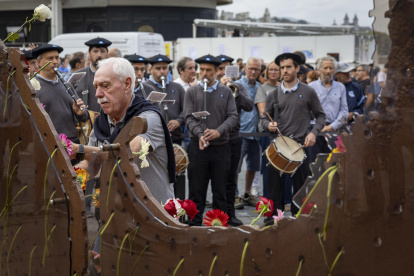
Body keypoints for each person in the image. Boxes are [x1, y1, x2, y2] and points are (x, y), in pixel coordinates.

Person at [75, 57, 176, 202]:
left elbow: (124, 155)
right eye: (96, 86)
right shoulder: (101, 123)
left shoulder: (149, 118)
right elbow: (92, 164)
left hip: (155, 215)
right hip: (117, 214)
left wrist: (78, 150)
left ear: (127, 84)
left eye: (105, 85)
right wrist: (69, 179)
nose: (98, 94)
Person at [261, 53, 326, 218]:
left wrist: (313, 133)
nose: (285, 71)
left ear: (297, 68)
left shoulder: (309, 92)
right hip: (277, 148)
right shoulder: (273, 95)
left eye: (288, 67)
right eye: (282, 68)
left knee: (300, 193)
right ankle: (275, 226)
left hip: (300, 148)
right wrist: (268, 124)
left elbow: (321, 116)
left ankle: (299, 226)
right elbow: (263, 119)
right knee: (275, 194)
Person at [184, 54, 238, 226]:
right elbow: (188, 117)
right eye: (202, 70)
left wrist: (218, 131)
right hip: (197, 147)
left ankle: (219, 225)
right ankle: (194, 224)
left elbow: (232, 116)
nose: (205, 73)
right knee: (195, 189)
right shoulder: (192, 91)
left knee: (220, 190)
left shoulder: (226, 91)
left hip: (221, 147)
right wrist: (200, 134)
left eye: (209, 70)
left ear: (216, 72)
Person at [217, 54, 254, 226]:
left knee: (231, 178)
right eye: (220, 69)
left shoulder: (237, 86)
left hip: (233, 138)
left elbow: (249, 106)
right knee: (217, 179)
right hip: (216, 139)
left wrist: (234, 91)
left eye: (226, 68)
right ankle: (219, 214)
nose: (223, 72)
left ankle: (230, 214)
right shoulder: (210, 86)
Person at [32, 44, 88, 144]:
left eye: (57, 58)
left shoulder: (67, 84)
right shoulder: (33, 86)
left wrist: (81, 113)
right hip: (48, 144)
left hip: (72, 142)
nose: (55, 62)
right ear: (39, 62)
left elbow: (83, 116)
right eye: (50, 58)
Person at [308, 56, 348, 163]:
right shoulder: (311, 87)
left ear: (334, 70)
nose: (328, 71)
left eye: (331, 68)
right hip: (314, 131)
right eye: (325, 68)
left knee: (335, 163)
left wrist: (332, 126)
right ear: (319, 69)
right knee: (314, 164)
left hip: (334, 131)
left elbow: (344, 111)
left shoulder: (340, 87)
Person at [234, 57, 262, 207]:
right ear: (245, 68)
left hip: (255, 133)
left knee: (253, 166)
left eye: (256, 69)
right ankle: (235, 195)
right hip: (240, 132)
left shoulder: (259, 86)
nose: (253, 71)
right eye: (250, 68)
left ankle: (247, 193)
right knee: (236, 167)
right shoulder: (237, 85)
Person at [144, 54, 185, 144]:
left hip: (175, 137)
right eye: (158, 68)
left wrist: (178, 121)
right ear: (151, 70)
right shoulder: (144, 88)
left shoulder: (177, 87)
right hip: (152, 138)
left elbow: (186, 109)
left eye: (164, 68)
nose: (162, 71)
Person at [254, 61, 280, 199]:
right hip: (267, 131)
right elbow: (262, 111)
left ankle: (285, 197)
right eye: (271, 70)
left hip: (283, 131)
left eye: (276, 69)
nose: (274, 72)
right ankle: (268, 197)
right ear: (266, 72)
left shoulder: (283, 87)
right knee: (268, 166)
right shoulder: (263, 89)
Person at [75, 37, 112, 112]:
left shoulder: (113, 75)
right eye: (95, 51)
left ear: (107, 54)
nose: (99, 55)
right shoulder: (78, 75)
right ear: (89, 53)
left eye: (102, 51)